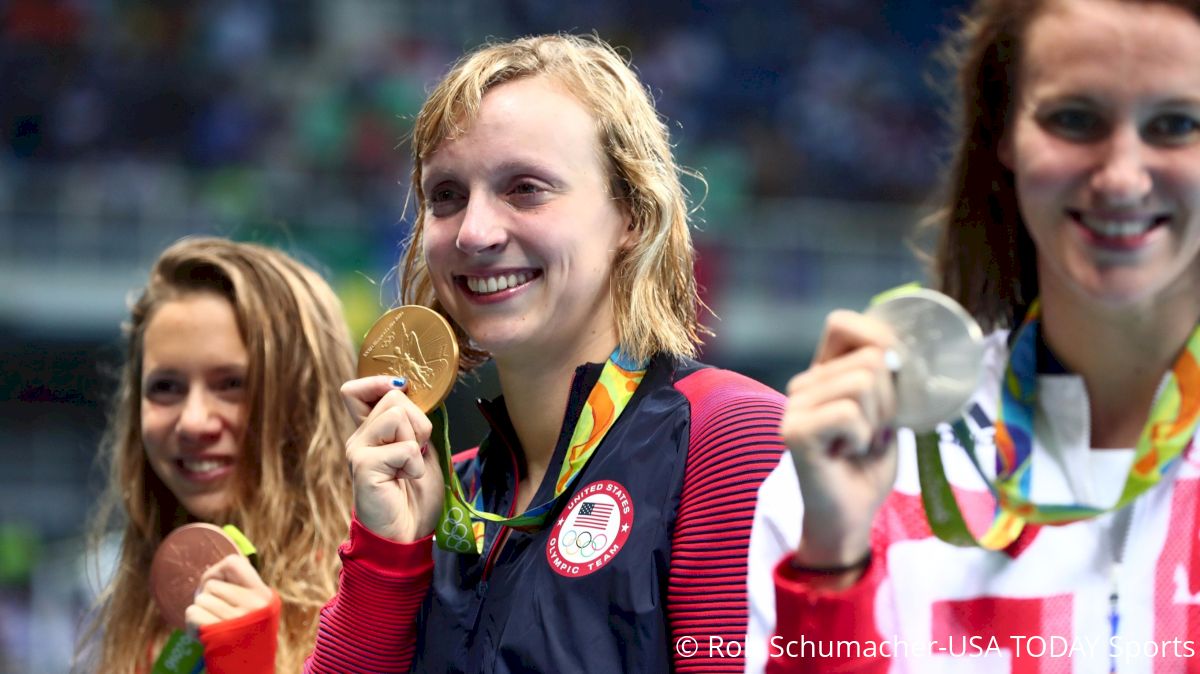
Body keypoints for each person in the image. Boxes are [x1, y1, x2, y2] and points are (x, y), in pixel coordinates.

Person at [305, 33, 786, 673]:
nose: (474, 232)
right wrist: (388, 556)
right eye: (446, 195)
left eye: (525, 188)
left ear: (632, 215)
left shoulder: (728, 438)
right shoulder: (449, 490)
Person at [749, 0, 1200, 671]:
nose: (1122, 177)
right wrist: (833, 565)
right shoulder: (863, 466)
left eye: (1176, 124)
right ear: (1005, 135)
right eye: (1074, 120)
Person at [77, 237, 357, 673]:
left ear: (307, 399)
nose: (193, 422)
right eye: (166, 387)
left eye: (232, 384)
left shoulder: (372, 597)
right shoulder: (145, 603)